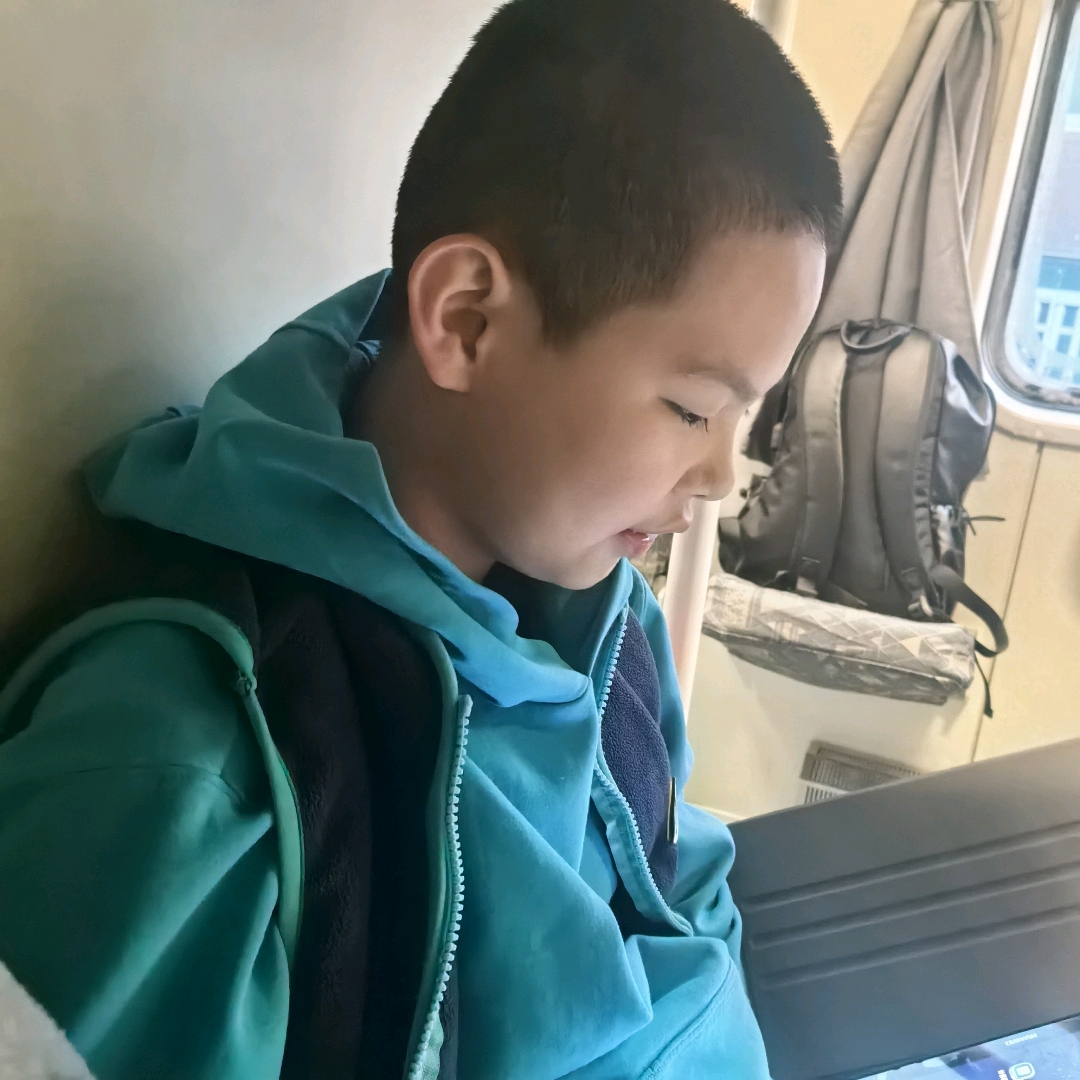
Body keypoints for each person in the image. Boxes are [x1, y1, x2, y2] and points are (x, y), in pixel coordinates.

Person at [0, 0, 840, 1077]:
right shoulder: (194, 775)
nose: (720, 476)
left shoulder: (604, 612)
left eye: (745, 416)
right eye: (692, 408)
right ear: (465, 320)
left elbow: (682, 896)